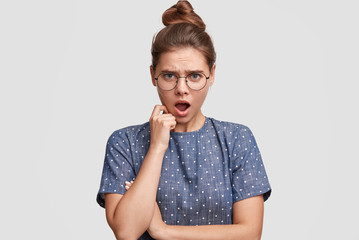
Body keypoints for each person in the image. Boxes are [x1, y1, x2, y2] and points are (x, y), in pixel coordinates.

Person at [96, 1, 271, 239]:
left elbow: (250, 233)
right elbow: (126, 232)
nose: (182, 89)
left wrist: (164, 231)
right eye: (169, 75)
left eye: (194, 76)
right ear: (152, 75)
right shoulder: (124, 142)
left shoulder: (237, 139)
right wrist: (157, 148)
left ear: (212, 75)